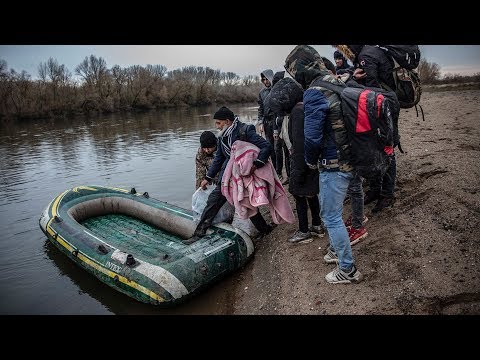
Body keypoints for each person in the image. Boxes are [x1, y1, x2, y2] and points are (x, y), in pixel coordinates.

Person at [284, 45, 363, 284]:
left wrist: (309, 161)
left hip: (333, 163)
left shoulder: (314, 92)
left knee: (330, 216)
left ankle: (348, 270)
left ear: (300, 71)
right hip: (353, 157)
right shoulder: (337, 81)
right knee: (335, 213)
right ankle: (336, 251)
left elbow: (312, 137)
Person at [185, 106, 273, 245]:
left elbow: (267, 146)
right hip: (227, 177)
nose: (217, 126)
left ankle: (265, 229)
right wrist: (207, 178)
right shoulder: (222, 138)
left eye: (218, 123)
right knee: (213, 201)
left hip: (244, 176)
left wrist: (256, 164)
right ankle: (199, 233)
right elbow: (219, 159)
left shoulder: (245, 131)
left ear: (227, 121)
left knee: (248, 204)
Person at [334, 45, 400, 213]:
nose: (344, 55)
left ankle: (387, 194)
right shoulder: (367, 53)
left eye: (343, 51)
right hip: (382, 104)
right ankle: (376, 189)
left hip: (383, 106)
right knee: (377, 147)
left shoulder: (366, 57)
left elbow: (369, 91)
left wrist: (349, 80)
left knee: (386, 148)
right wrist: (351, 75)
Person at [267, 77, 325, 243]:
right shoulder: (303, 108)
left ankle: (304, 231)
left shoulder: (297, 113)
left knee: (298, 195)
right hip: (310, 161)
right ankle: (317, 225)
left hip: (301, 162)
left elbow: (299, 143)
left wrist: (297, 170)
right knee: (311, 193)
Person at [257, 69, 277, 171]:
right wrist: (260, 122)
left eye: (267, 79)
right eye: (263, 79)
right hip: (266, 122)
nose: (265, 81)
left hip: (277, 121)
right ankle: (275, 170)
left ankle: (281, 171)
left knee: (279, 148)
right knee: (270, 147)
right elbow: (260, 108)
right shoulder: (262, 92)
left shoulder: (277, 89)